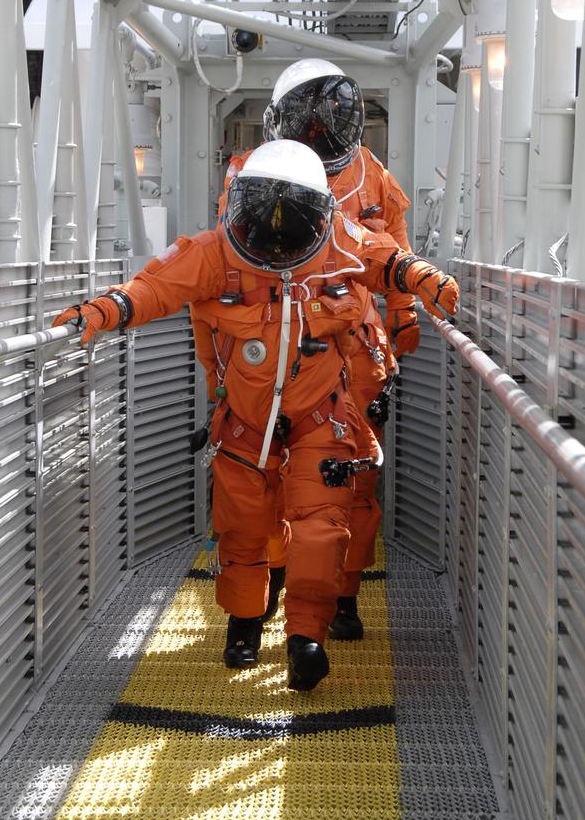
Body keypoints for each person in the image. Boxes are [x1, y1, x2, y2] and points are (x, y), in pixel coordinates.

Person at [54, 140, 458, 693]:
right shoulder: (213, 254)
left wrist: (422, 279)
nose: (274, 232)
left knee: (320, 526)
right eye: (262, 215)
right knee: (244, 527)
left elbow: (387, 258)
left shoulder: (339, 239)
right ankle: (244, 623)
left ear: (319, 214)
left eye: (291, 219)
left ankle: (306, 638)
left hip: (322, 414)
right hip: (244, 421)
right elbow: (151, 289)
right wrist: (103, 311)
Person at [218, 59, 418, 640]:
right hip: (273, 346)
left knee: (350, 479)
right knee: (264, 476)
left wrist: (402, 324)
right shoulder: (249, 175)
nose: (320, 132)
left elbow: (396, 251)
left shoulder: (373, 179)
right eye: (309, 121)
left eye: (329, 120)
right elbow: (229, 266)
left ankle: (342, 594)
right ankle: (275, 578)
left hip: (351, 349)